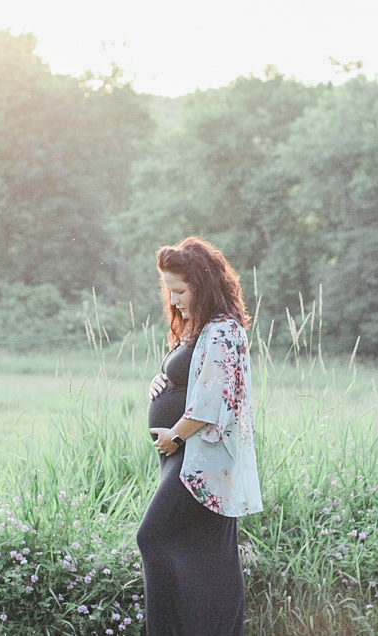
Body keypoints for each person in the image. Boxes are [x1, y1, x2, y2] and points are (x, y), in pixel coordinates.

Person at [136, 236, 263, 636]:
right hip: (183, 454)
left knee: (153, 536)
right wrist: (161, 381)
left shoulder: (224, 330)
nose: (173, 301)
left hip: (201, 454)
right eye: (168, 291)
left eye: (179, 291)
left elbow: (211, 401)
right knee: (203, 551)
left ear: (202, 284)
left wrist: (174, 434)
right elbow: (190, 379)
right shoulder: (200, 329)